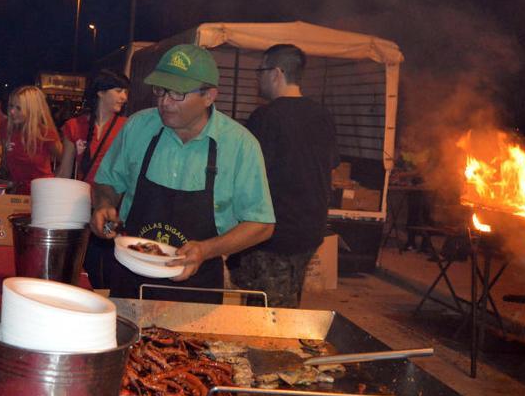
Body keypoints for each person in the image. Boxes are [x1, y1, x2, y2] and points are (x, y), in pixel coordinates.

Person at [91, 43, 275, 305]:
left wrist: (205, 249)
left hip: (196, 289)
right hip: (130, 279)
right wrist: (104, 205)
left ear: (209, 96)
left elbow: (261, 225)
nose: (164, 102)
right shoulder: (138, 127)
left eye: (177, 93)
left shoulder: (240, 146)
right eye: (160, 90)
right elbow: (107, 181)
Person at [228, 44, 340, 308]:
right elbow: (330, 167)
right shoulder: (323, 115)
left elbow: (246, 177)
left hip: (274, 236)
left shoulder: (266, 117)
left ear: (276, 73)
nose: (258, 78)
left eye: (261, 71)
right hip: (310, 232)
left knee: (268, 318)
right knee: (287, 304)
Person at [60, 69, 129, 289]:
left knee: (110, 263)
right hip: (81, 208)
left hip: (112, 207)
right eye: (118, 91)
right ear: (100, 92)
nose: (124, 97)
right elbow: (64, 172)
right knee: (85, 265)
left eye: (125, 92)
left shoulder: (128, 126)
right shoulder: (73, 126)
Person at [0, 85, 64, 194]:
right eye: (11, 106)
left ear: (32, 110)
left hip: (41, 192)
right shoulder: (6, 127)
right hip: (16, 192)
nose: (12, 112)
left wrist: (52, 184)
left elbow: (66, 161)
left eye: (18, 108)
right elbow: (6, 161)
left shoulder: (45, 133)